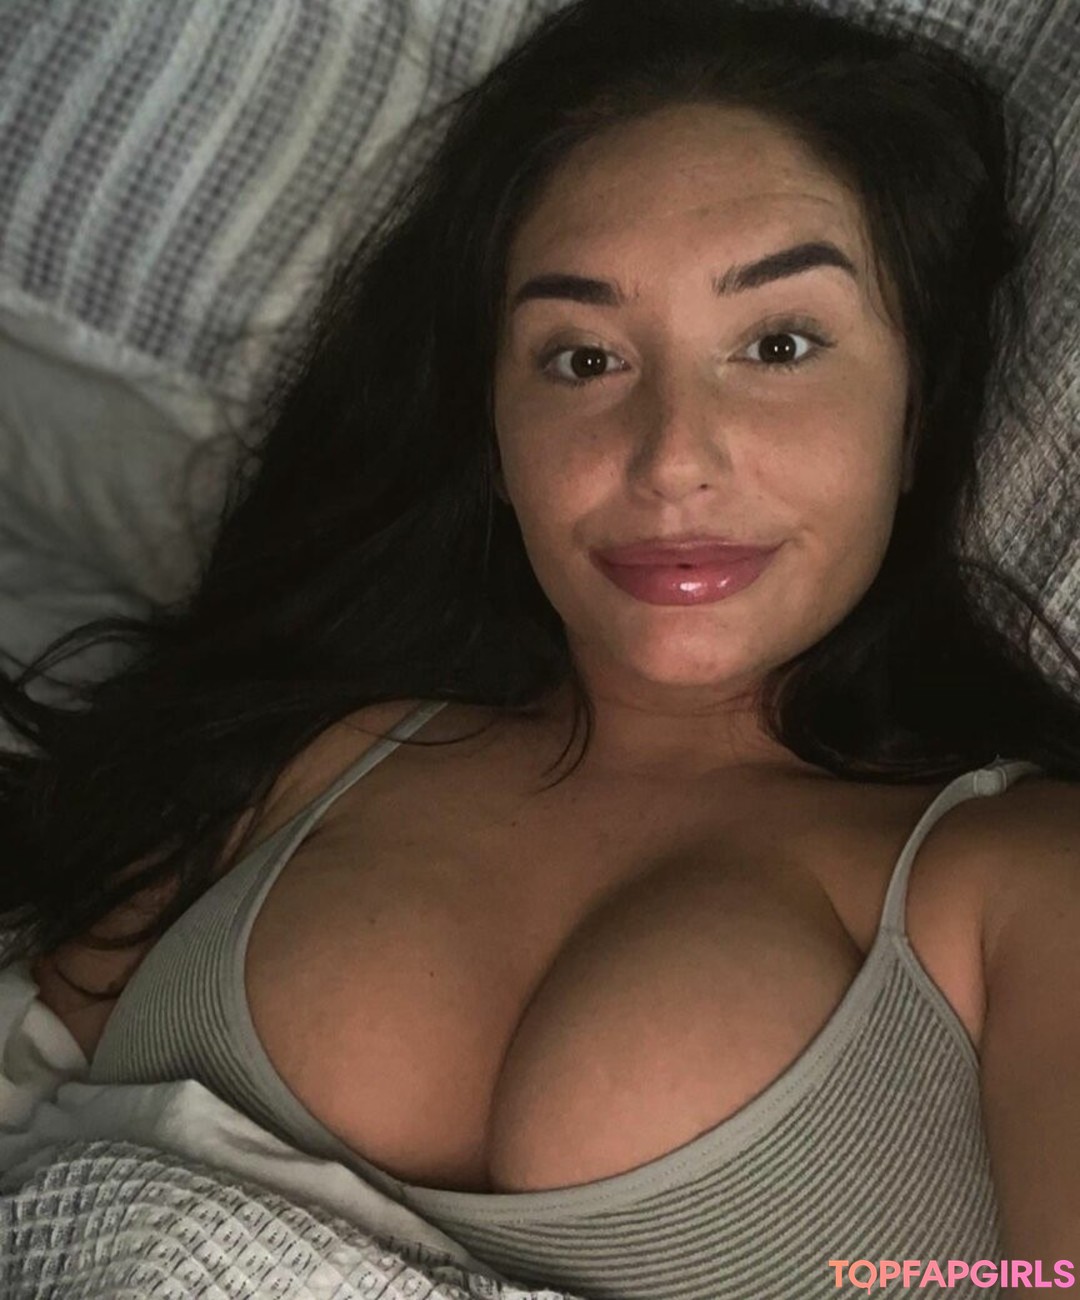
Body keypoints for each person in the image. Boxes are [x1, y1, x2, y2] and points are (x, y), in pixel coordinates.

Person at [1, 0, 1078, 1293]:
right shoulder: (290, 758)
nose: (671, 457)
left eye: (778, 345)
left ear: (914, 420)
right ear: (495, 438)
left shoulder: (1021, 888)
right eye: (582, 358)